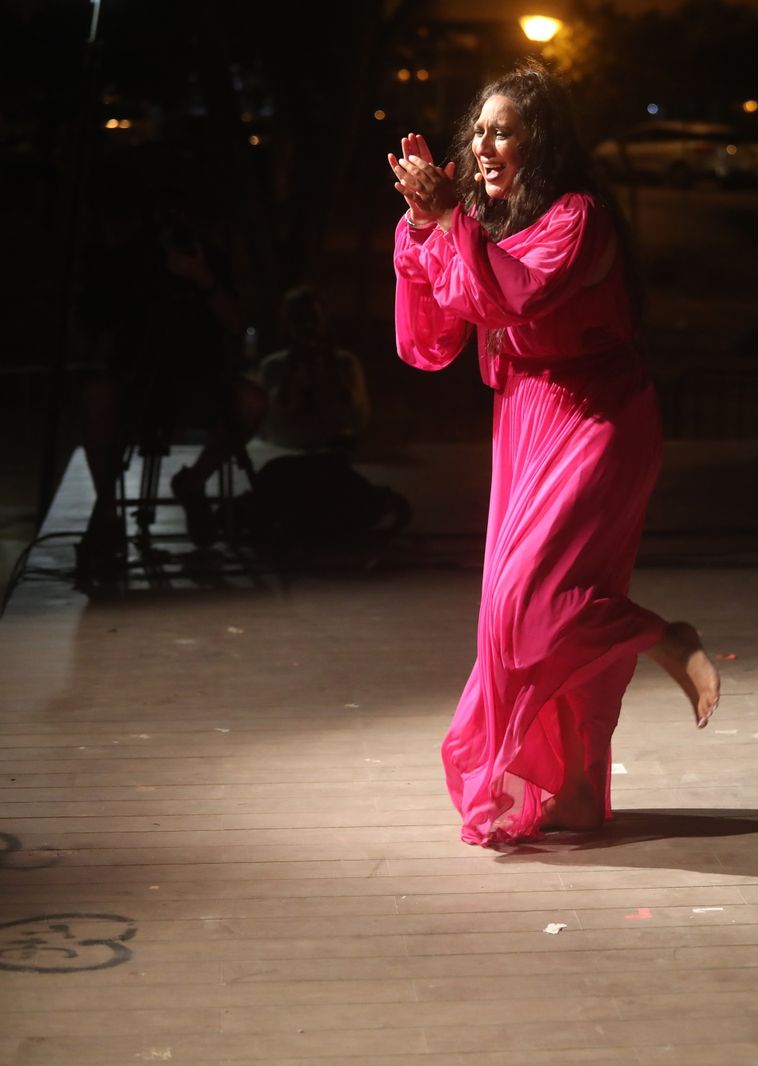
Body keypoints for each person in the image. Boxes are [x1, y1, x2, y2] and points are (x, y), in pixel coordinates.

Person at [387, 59, 719, 845]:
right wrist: (425, 227)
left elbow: (514, 295)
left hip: (598, 417)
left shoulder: (578, 217)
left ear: (542, 141)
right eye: (477, 132)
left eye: (503, 130)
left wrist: (453, 226)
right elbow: (429, 340)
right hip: (524, 421)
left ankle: (664, 638)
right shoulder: (489, 224)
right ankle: (571, 793)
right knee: (525, 618)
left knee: (526, 607)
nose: (483, 145)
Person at [78, 206, 267, 565]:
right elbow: (97, 327)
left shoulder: (208, 258)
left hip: (200, 381)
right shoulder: (125, 263)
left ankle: (193, 483)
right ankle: (106, 512)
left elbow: (237, 322)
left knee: (251, 402)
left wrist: (201, 277)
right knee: (96, 396)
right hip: (136, 381)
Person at [257, 285, 371, 451]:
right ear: (288, 323)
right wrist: (289, 373)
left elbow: (359, 420)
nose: (307, 326)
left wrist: (334, 372)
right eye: (300, 319)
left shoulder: (345, 363)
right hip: (287, 452)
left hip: (331, 454)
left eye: (312, 318)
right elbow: (269, 425)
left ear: (324, 320)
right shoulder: (273, 367)